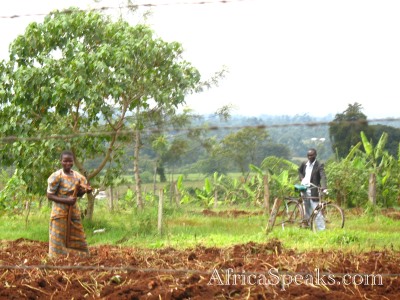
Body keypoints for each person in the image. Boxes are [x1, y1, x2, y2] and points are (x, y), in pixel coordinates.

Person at [47, 150, 92, 257]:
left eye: (70, 161)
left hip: (74, 212)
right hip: (59, 212)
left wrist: (86, 190)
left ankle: (77, 256)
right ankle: (58, 259)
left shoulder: (78, 176)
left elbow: (79, 193)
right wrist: (67, 200)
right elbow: (49, 195)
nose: (68, 164)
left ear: (73, 162)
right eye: (65, 161)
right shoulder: (56, 176)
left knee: (77, 235)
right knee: (58, 237)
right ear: (61, 162)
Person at [298, 148, 327, 230]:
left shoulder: (319, 165)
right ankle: (307, 226)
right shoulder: (304, 164)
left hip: (313, 190)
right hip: (304, 189)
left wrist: (324, 187)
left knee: (316, 210)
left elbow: (323, 176)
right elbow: (299, 171)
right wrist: (301, 178)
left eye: (312, 155)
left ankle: (322, 230)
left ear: (315, 155)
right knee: (306, 208)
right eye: (308, 155)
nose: (310, 157)